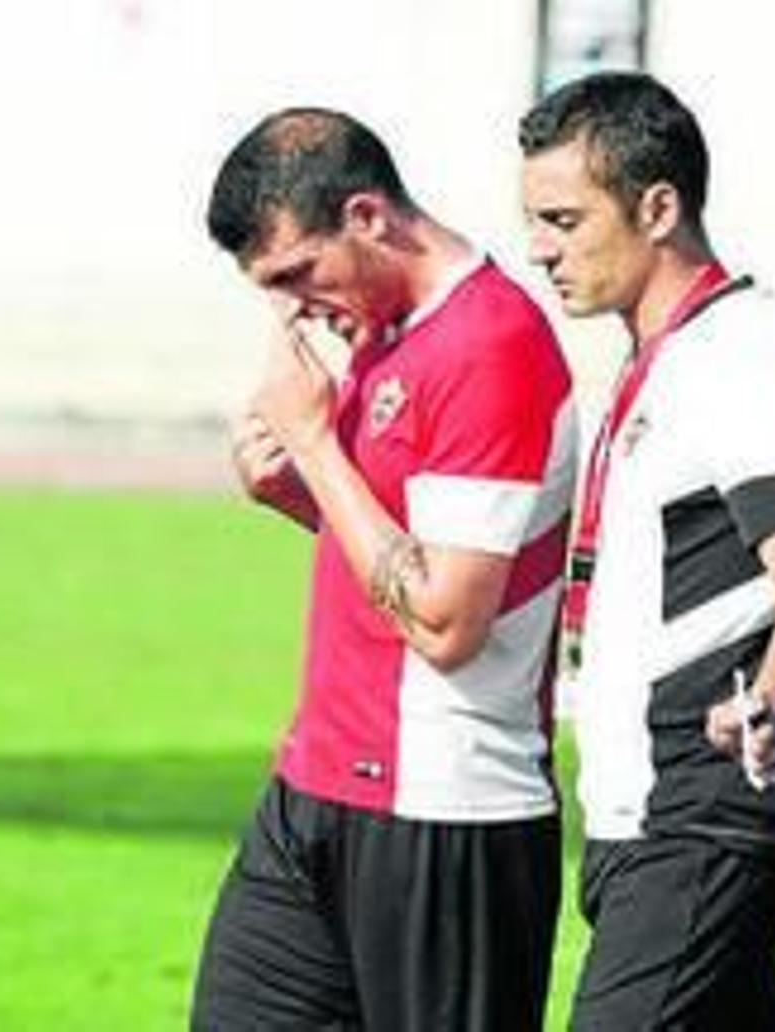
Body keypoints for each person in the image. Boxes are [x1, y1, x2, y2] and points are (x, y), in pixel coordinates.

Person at [189, 106, 576, 1031]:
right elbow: (397, 550)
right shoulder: (386, 333)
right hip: (317, 786)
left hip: (446, 808)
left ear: (367, 217)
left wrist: (316, 442)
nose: (291, 307)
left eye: (297, 272)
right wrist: (297, 493)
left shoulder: (490, 344)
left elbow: (444, 620)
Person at [517, 71, 775, 1030]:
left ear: (657, 207)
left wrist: (770, 709)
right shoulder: (665, 354)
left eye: (565, 219)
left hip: (705, 818)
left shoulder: (747, 352)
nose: (541, 248)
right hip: (644, 819)